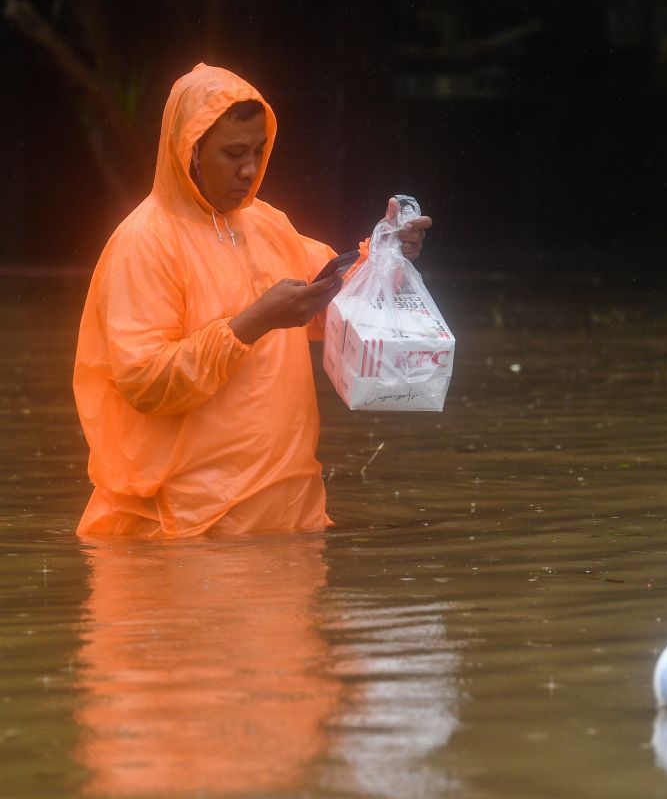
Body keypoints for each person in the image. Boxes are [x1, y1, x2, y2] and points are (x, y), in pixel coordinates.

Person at [73, 63, 432, 538]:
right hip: (186, 536)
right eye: (233, 153)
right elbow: (146, 383)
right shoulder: (145, 243)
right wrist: (251, 324)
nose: (251, 169)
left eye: (260, 150)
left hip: (290, 521)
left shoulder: (266, 224)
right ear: (191, 152)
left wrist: (387, 252)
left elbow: (340, 299)